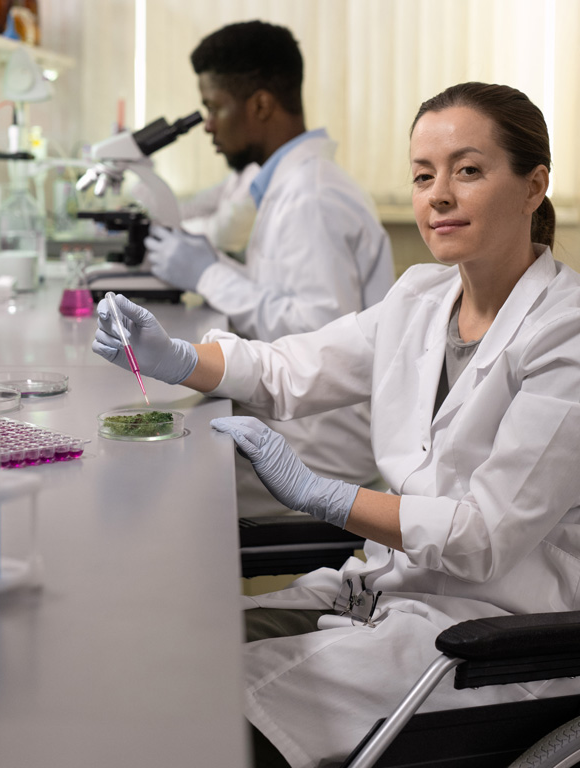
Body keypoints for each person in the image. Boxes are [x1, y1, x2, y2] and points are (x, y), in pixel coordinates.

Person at [93, 82, 580, 768]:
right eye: (423, 176)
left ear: (534, 186)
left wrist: (323, 495)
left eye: (468, 170)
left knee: (204, 708)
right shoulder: (421, 297)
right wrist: (174, 358)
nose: (438, 196)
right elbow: (290, 369)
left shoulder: (577, 335)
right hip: (384, 595)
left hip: (494, 644)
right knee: (169, 654)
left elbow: (482, 536)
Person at [144, 21, 395, 517]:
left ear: (260, 105)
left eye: (215, 107)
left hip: (321, 449)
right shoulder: (293, 185)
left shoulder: (311, 197)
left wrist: (208, 274)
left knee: (164, 487)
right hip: (297, 422)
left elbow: (317, 337)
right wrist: (213, 264)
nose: (208, 125)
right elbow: (285, 300)